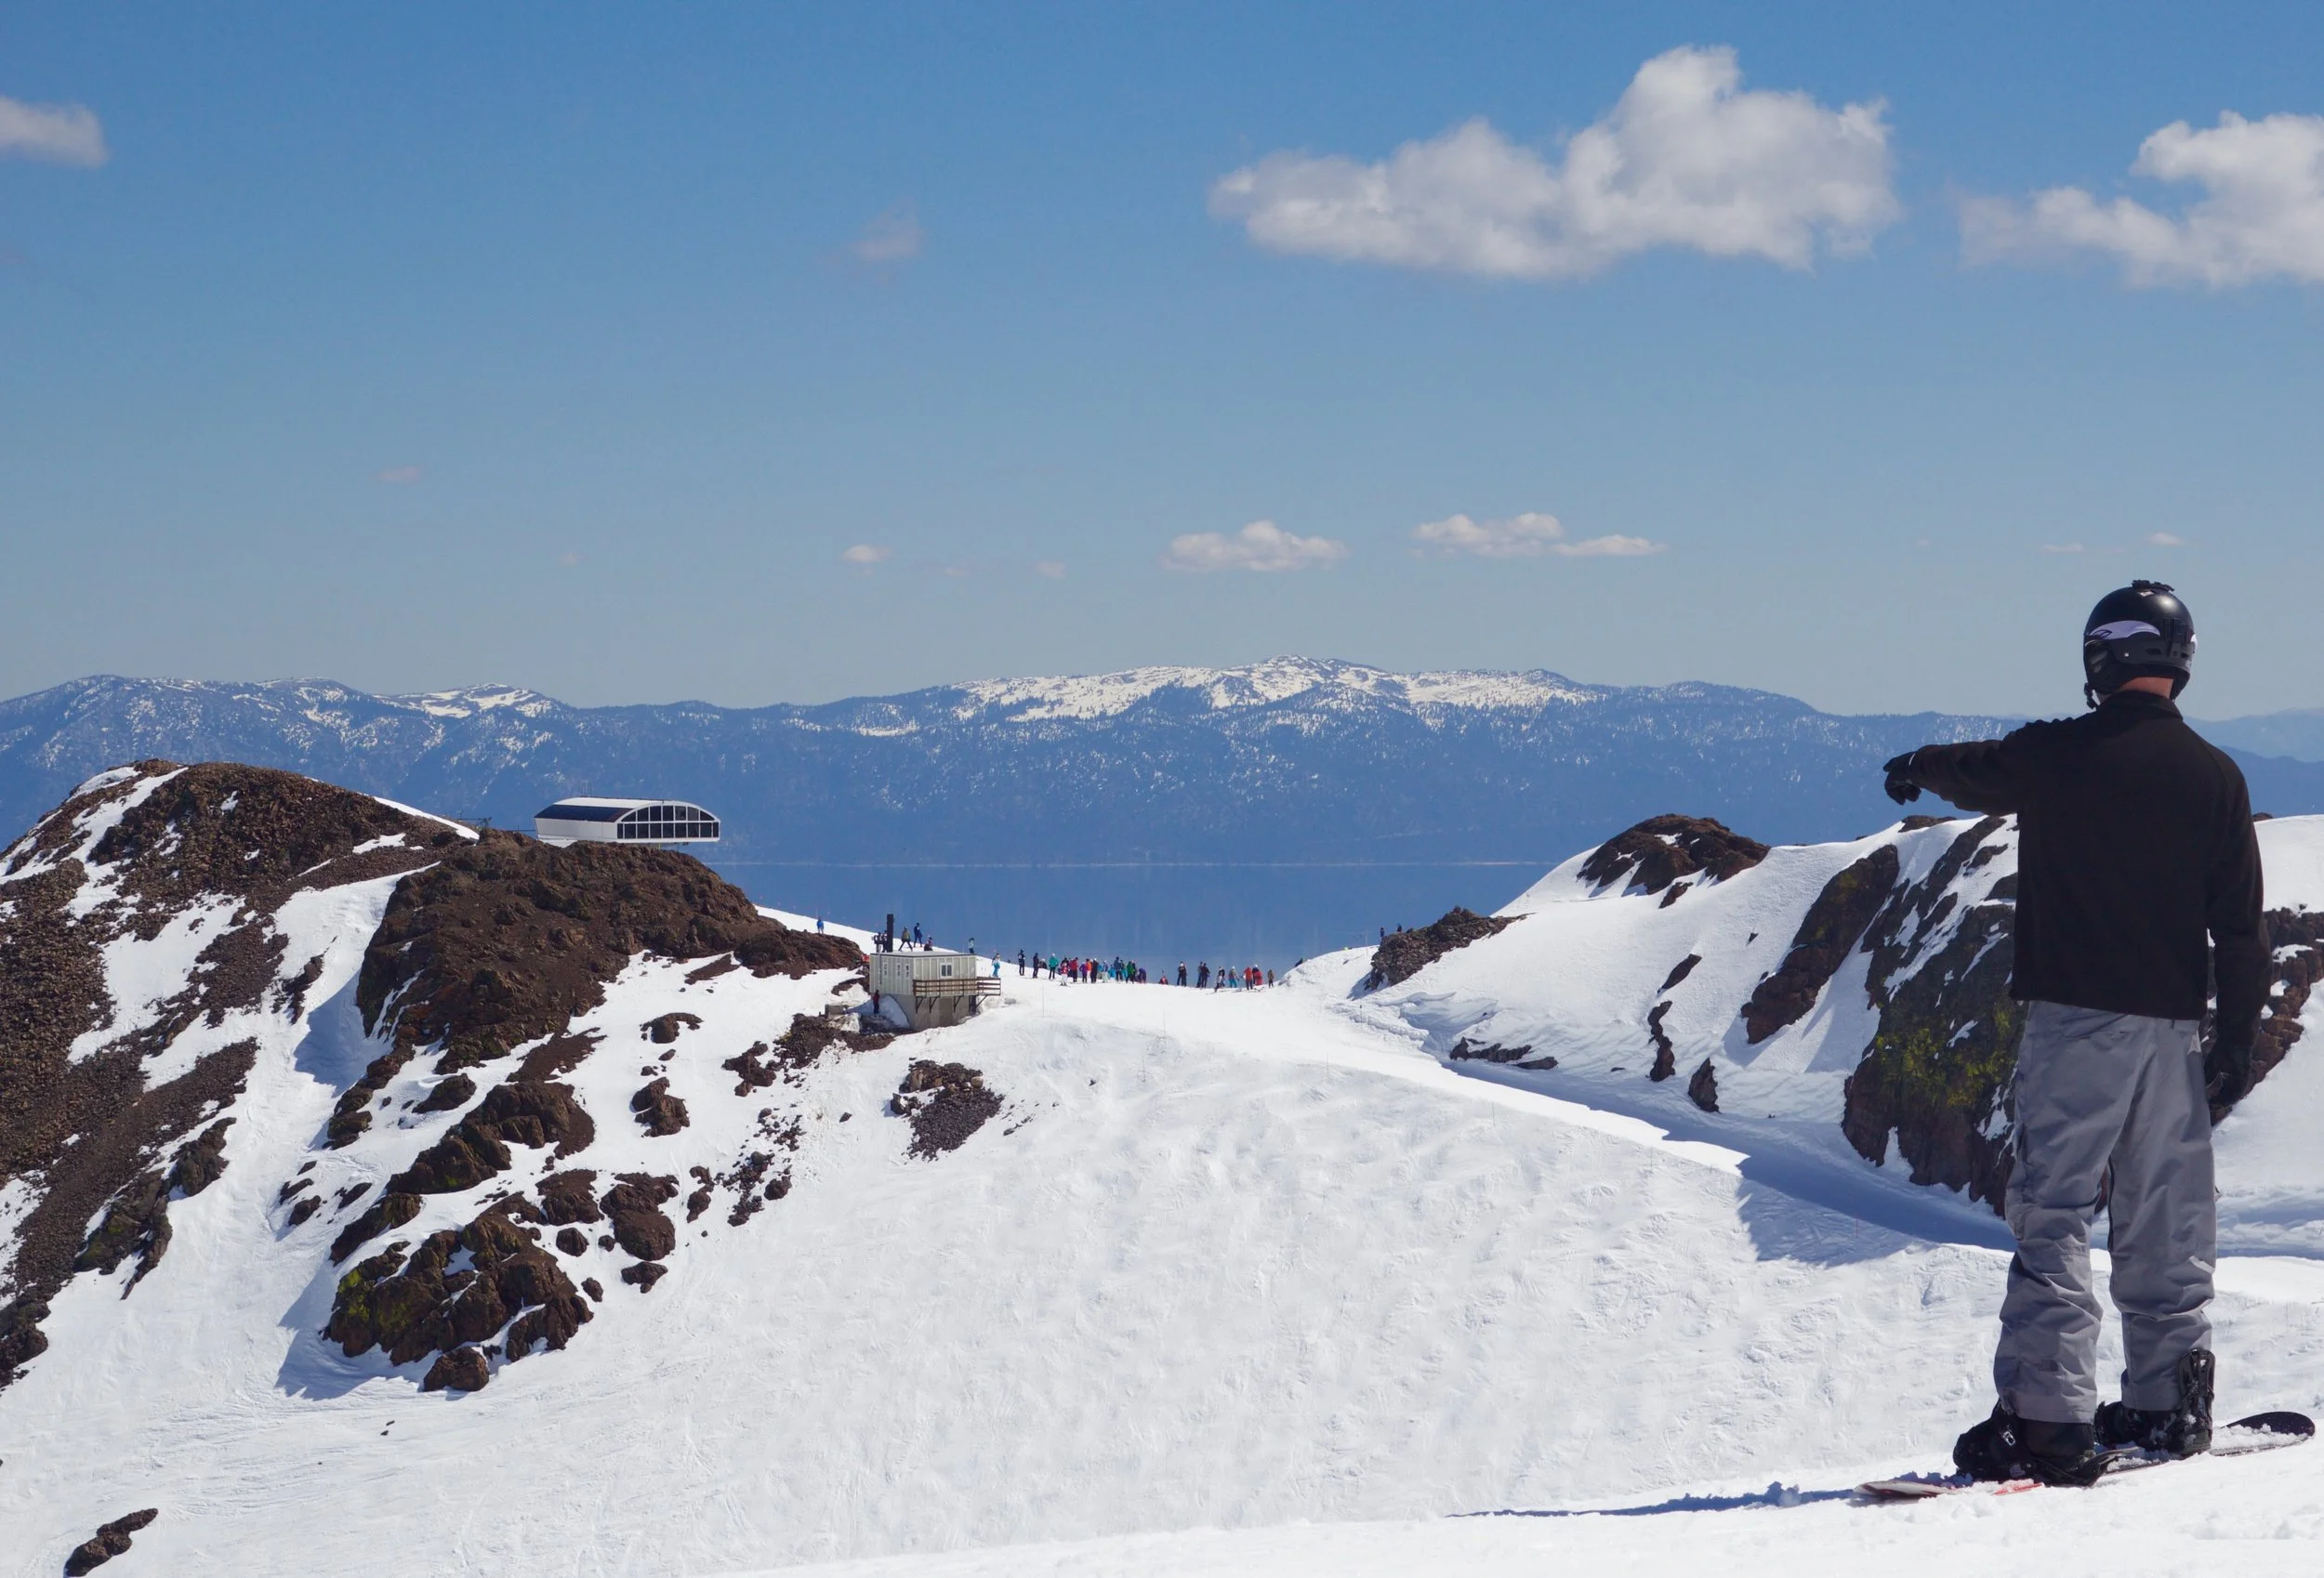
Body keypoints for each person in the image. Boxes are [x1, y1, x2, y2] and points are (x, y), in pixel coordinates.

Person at [1880, 581, 2263, 1486]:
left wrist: (1913, 765)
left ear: (2101, 658)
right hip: (2173, 1032)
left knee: (2052, 1210)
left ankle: (2046, 1421)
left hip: (2076, 1024)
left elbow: (1975, 767)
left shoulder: (2056, 756)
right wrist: (2234, 1045)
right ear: (2180, 659)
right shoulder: (2217, 775)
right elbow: (2240, 929)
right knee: (2165, 1216)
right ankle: (2171, 1405)